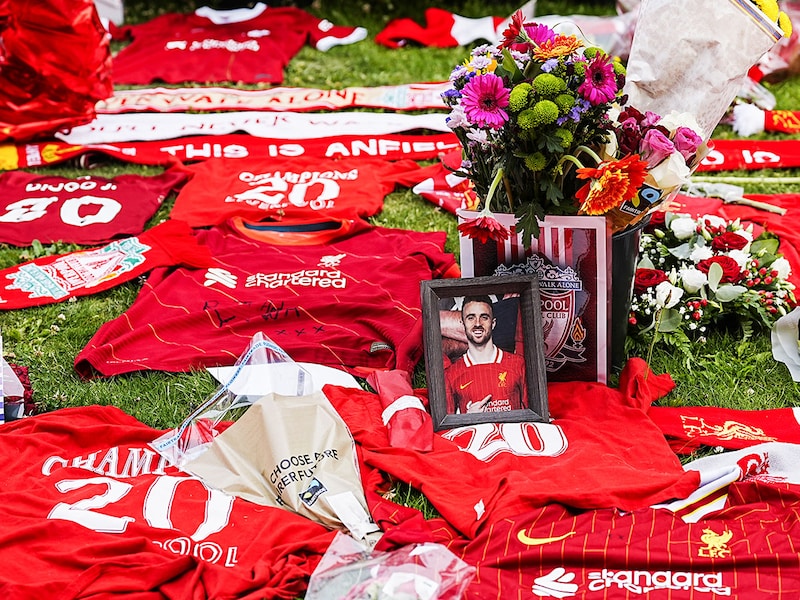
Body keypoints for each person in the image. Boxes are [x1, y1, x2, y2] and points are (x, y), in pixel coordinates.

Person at [443, 295, 528, 414]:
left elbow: (534, 416)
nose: (478, 323)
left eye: (484, 317)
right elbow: (447, 428)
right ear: (463, 324)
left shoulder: (518, 364)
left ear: (493, 323)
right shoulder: (450, 374)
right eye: (471, 318)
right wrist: (467, 418)